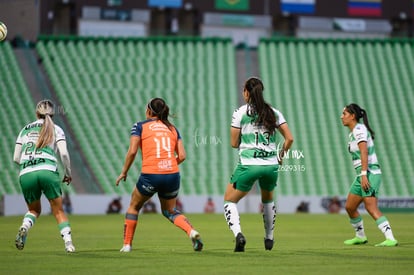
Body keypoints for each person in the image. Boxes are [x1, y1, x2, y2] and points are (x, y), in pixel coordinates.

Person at [115, 97, 203, 252]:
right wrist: (167, 165)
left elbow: (133, 151)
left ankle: (127, 245)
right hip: (172, 174)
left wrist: (124, 172)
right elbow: (182, 156)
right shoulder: (173, 129)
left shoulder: (139, 126)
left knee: (134, 206)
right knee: (170, 211)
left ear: (149, 110)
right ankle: (192, 232)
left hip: (151, 174)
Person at [223, 77, 294, 252]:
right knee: (268, 199)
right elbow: (290, 138)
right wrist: (281, 155)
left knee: (229, 201)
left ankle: (239, 235)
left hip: (248, 163)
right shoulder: (274, 113)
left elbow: (233, 143)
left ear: (247, 92)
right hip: (271, 165)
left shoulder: (240, 112)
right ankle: (269, 239)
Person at [13, 99, 75, 252]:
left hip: (26, 171)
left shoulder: (25, 129)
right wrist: (68, 173)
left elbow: (15, 158)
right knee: (58, 211)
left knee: (34, 210)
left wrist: (29, 165)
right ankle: (69, 244)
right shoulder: (56, 129)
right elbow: (65, 154)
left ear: (36, 112)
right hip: (47, 169)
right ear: (53, 114)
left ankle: (24, 227)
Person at [341, 103, 398, 247]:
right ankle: (360, 236)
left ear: (353, 116)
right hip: (362, 175)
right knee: (350, 207)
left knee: (371, 207)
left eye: (344, 114)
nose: (341, 117)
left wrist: (364, 174)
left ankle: (390, 238)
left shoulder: (359, 129)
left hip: (370, 173)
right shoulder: (352, 133)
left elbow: (364, 152)